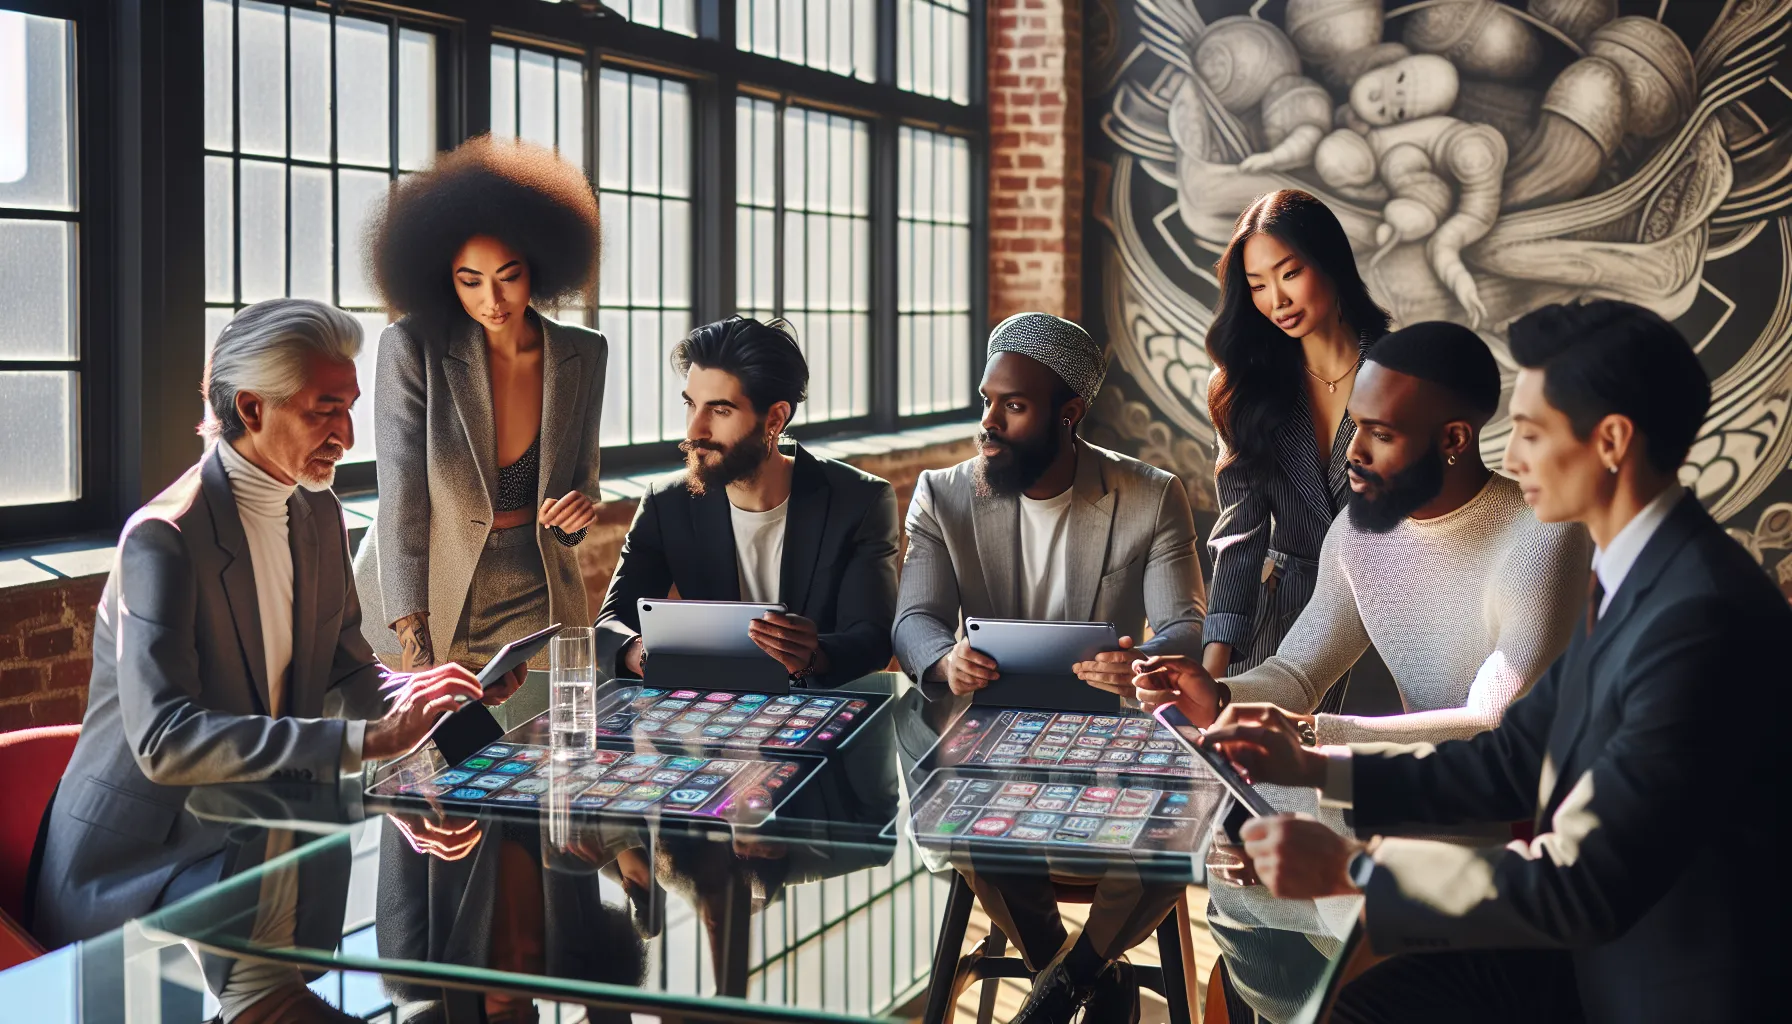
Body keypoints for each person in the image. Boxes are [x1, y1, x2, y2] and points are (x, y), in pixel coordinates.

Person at [1196, 300, 1783, 1023]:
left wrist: (1354, 870)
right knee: (1357, 1008)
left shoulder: (1698, 614)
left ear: (1611, 443)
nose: (1509, 457)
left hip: (1653, 983)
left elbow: (1585, 888)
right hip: (1587, 945)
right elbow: (1510, 757)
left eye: (1533, 433)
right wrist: (1311, 765)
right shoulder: (1644, 575)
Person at [33, 299, 484, 1020]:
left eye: (350, 408)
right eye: (323, 410)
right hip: (152, 879)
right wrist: (367, 745)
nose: (345, 433)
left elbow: (344, 671)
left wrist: (423, 699)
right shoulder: (163, 539)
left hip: (264, 856)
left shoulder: (319, 512)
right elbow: (166, 740)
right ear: (250, 407)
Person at [1135, 320, 1589, 1022]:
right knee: (1235, 845)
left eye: (1380, 434)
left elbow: (1494, 722)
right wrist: (1218, 693)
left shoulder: (1541, 535)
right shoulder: (1357, 532)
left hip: (1510, 825)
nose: (1353, 453)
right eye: (1353, 428)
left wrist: (1310, 739)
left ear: (1453, 439)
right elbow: (1297, 668)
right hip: (1399, 794)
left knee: (1288, 822)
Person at [892, 311, 1207, 1024]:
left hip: (1109, 733)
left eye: (1014, 405)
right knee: (948, 799)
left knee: (1184, 809)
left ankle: (1074, 975)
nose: (990, 422)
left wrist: (1141, 665)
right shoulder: (944, 496)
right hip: (987, 728)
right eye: (986, 401)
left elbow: (1186, 623)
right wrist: (945, 660)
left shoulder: (1151, 495)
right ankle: (1073, 973)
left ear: (1071, 413)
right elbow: (914, 621)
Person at [354, 137, 607, 683]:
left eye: (508, 276)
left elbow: (582, 484)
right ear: (444, 275)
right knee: (428, 765)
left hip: (538, 596)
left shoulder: (584, 352)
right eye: (470, 281)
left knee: (545, 756)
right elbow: (400, 500)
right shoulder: (411, 348)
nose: (491, 299)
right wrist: (415, 642)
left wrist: (574, 515)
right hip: (430, 595)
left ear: (539, 266)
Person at [594, 316, 899, 685]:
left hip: (821, 710)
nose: (694, 430)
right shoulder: (667, 502)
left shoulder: (859, 500)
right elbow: (609, 628)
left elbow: (872, 638)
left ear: (775, 418)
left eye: (720, 410)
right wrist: (644, 654)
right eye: (691, 404)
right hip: (710, 716)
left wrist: (814, 656)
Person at [1201, 189, 1392, 690]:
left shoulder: (1401, 373)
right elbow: (1240, 537)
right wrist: (1210, 676)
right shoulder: (1245, 388)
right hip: (1283, 625)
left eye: (1289, 274)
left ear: (1330, 262)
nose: (1276, 301)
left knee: (1372, 765)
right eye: (1257, 285)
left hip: (1391, 619)